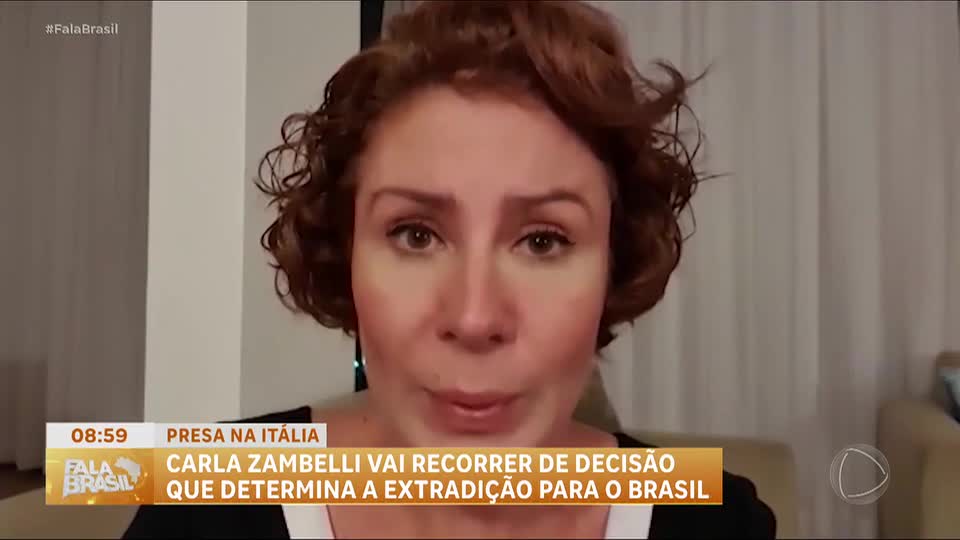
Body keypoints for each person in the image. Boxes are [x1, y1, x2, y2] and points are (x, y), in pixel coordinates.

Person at [124, 0, 775, 538]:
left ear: (615, 263)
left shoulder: (716, 522)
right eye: (416, 234)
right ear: (344, 254)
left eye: (542, 241)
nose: (474, 317)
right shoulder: (201, 499)